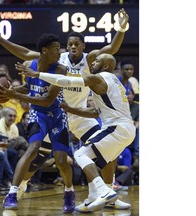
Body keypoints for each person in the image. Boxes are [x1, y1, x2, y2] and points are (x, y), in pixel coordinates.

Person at [0, 7, 131, 211]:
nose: (71, 47)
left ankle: (106, 194)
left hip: (78, 114)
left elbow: (111, 50)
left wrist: (121, 28)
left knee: (107, 153)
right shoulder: (57, 59)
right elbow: (25, 52)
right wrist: (0, 40)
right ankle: (22, 185)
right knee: (38, 159)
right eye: (69, 44)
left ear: (83, 46)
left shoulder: (90, 59)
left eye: (76, 44)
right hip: (55, 111)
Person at [16, 53, 136, 212]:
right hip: (125, 129)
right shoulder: (115, 81)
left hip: (116, 128)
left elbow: (67, 81)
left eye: (98, 61)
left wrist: (37, 74)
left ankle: (105, 191)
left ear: (106, 66)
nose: (93, 62)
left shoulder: (98, 78)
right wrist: (70, 109)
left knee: (81, 154)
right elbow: (95, 111)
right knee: (100, 158)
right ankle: (93, 199)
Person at [0, 33, 75, 213]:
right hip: (38, 114)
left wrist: (17, 95)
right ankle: (12, 193)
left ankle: (69, 192)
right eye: (55, 49)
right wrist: (12, 91)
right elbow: (28, 88)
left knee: (61, 161)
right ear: (44, 51)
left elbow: (47, 99)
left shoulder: (60, 70)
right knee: (33, 148)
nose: (59, 52)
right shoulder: (30, 65)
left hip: (56, 114)